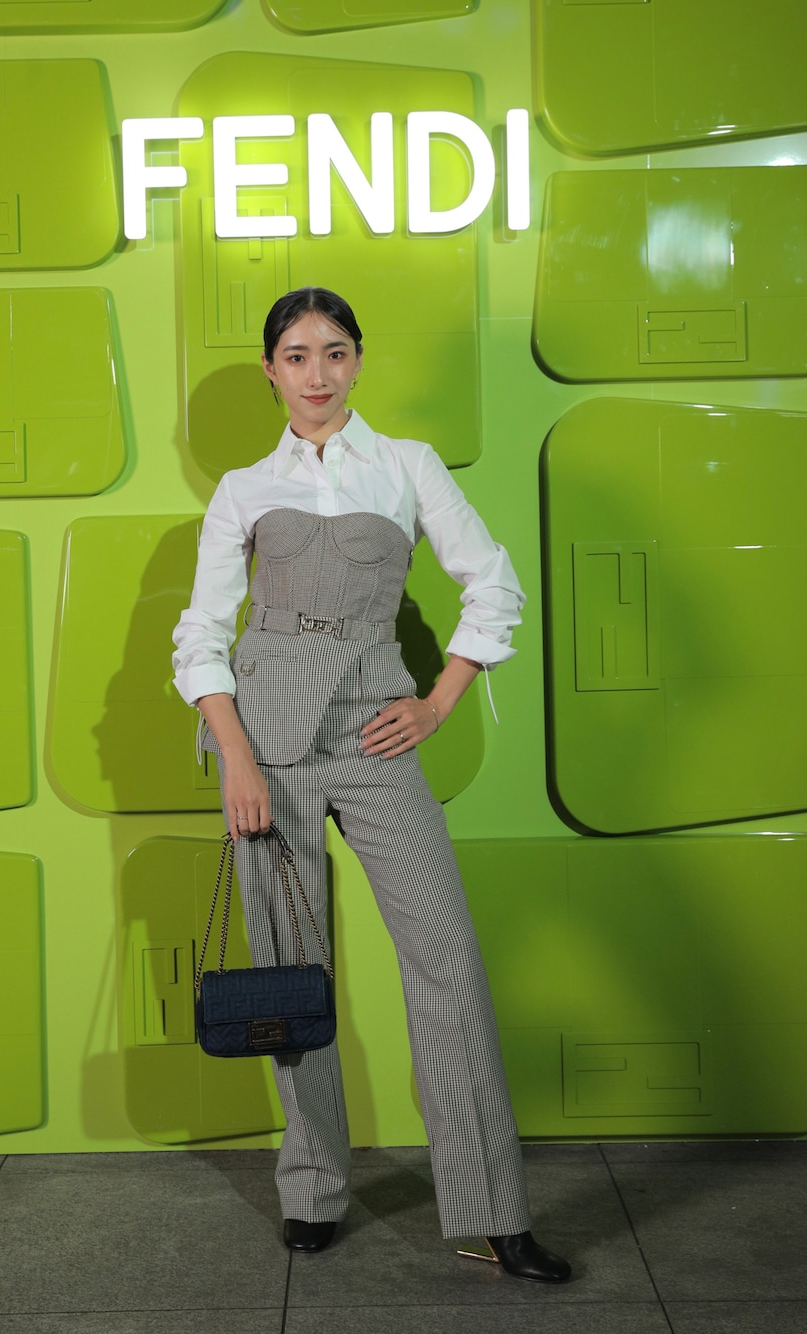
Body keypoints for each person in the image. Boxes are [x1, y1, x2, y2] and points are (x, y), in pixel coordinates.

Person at [171, 287, 570, 1282]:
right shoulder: (242, 487)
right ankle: (311, 1188)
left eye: (336, 351)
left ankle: (494, 1212)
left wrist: (437, 703)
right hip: (264, 740)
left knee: (447, 960)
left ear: (357, 360)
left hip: (376, 732)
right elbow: (203, 632)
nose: (318, 373)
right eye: (297, 355)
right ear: (271, 369)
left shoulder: (407, 465)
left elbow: (494, 583)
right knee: (290, 973)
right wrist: (236, 758)